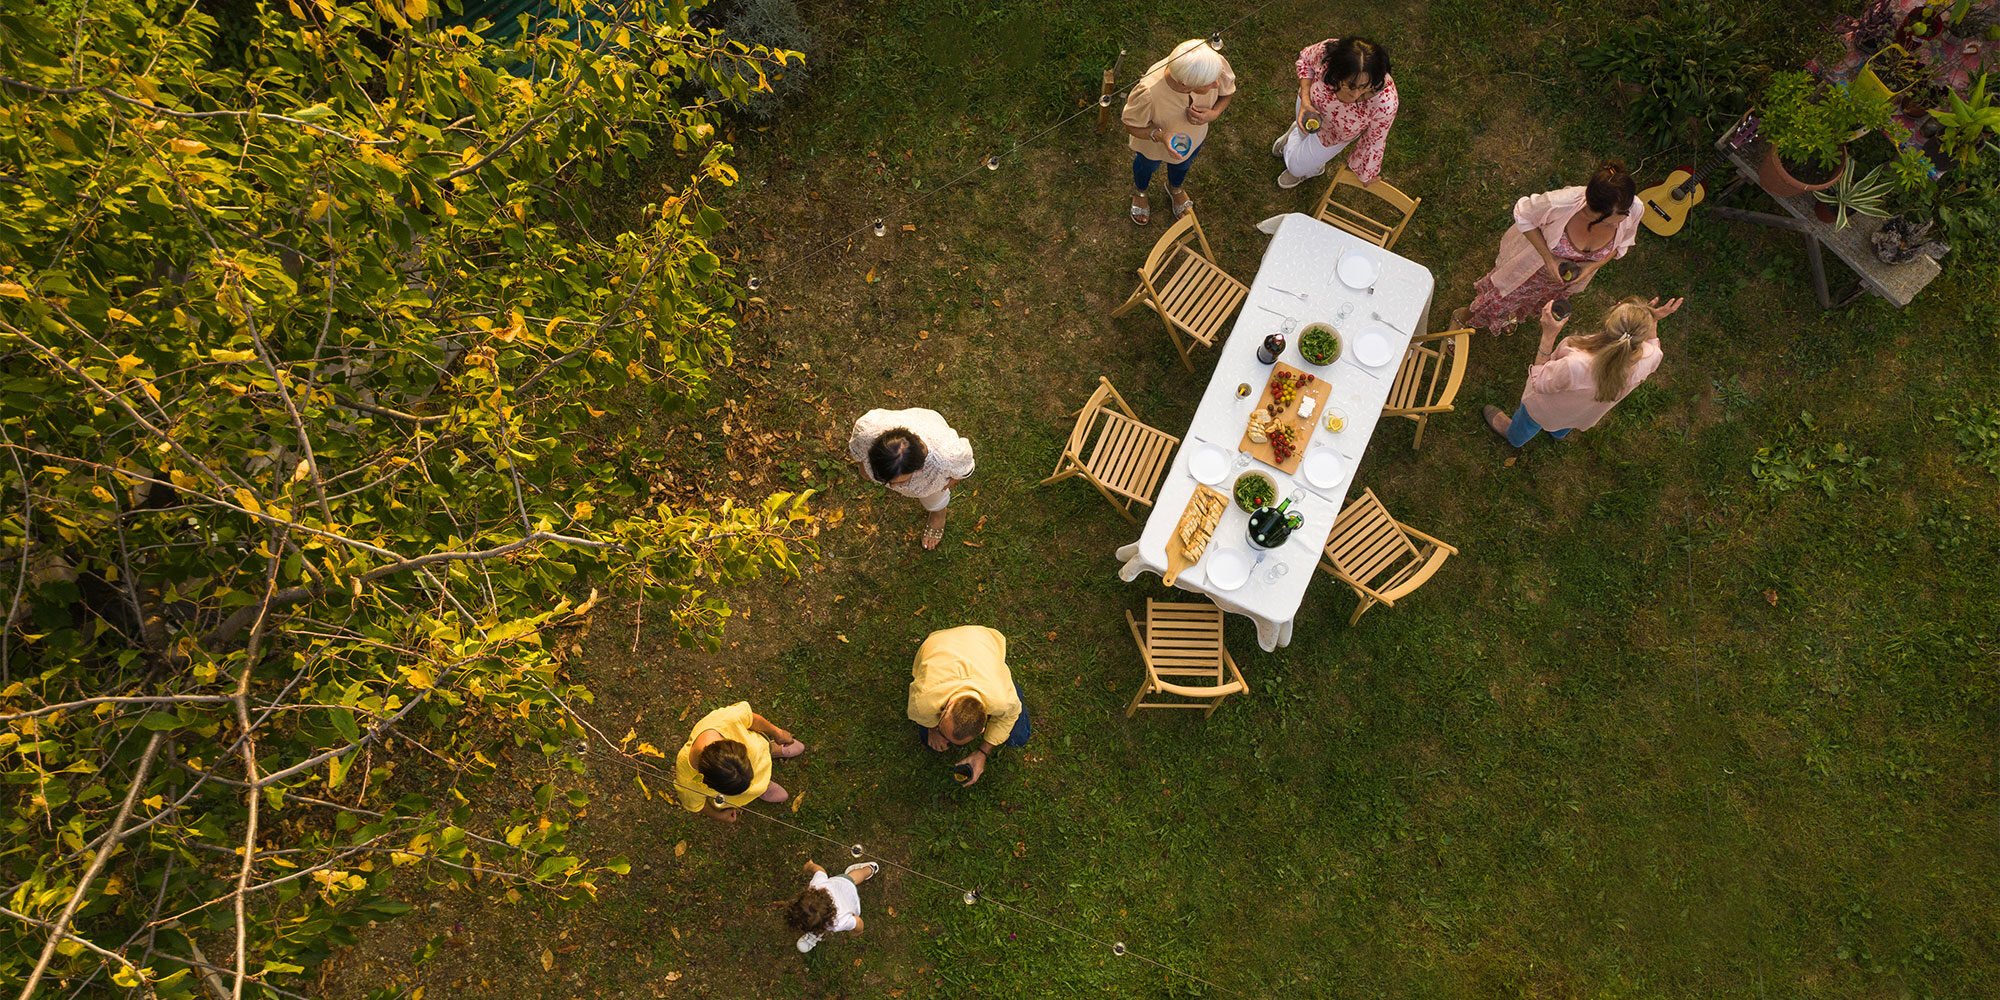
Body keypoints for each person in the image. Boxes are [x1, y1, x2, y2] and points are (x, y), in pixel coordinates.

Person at [1453, 163, 1642, 335]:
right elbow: (1523, 214)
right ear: (1595, 212)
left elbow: (1621, 245)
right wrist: (1549, 259)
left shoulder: (1631, 209)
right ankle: (1462, 317)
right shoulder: (1560, 203)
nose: (1626, 218)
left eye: (1626, 212)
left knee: (1531, 303)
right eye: (1619, 216)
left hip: (1560, 283)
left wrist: (1590, 267)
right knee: (1499, 298)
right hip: (1530, 273)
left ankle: (1508, 315)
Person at [1484, 295, 1684, 448]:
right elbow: (1653, 344)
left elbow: (1540, 382)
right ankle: (1558, 433)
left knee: (1528, 422)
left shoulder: (1576, 364)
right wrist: (1652, 320)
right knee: (1565, 423)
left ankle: (1514, 437)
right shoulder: (1650, 357)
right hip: (1582, 415)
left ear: (1608, 323)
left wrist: (1548, 336)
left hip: (1545, 410)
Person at [1120, 38, 1235, 225]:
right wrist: (1161, 136)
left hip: (1193, 140)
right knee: (1146, 167)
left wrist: (1214, 113)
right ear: (1184, 84)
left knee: (1182, 165)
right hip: (1152, 147)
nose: (1216, 84)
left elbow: (1227, 92)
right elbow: (1131, 125)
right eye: (1209, 84)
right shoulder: (1149, 93)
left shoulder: (1211, 65)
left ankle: (1175, 188)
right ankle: (1140, 191)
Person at [906, 625, 1028, 787]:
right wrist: (933, 730)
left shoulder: (1003, 700)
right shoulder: (923, 702)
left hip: (982, 638)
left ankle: (1005, 680)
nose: (945, 738)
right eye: (943, 730)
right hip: (939, 641)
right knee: (926, 739)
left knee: (1018, 737)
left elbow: (1011, 715)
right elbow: (921, 718)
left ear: (982, 729)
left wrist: (982, 752)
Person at [1273, 37, 1397, 190]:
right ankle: (1303, 148)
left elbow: (1374, 140)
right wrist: (1305, 100)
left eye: (1365, 87)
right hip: (1310, 107)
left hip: (1332, 135)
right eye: (1350, 85)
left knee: (1295, 167)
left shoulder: (1385, 102)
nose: (1356, 94)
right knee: (1302, 133)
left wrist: (1367, 173)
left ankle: (1301, 163)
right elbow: (1305, 60)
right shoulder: (1327, 53)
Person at [847, 407, 975, 551]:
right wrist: (863, 465)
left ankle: (938, 514)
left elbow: (965, 466)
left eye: (900, 482)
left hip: (931, 432)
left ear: (919, 468)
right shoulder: (867, 432)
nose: (894, 487)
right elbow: (859, 450)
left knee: (934, 497)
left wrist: (953, 479)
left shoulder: (947, 458)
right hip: (914, 418)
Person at [672, 701, 805, 823]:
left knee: (760, 750)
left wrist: (778, 733)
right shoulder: (687, 781)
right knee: (753, 787)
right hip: (746, 779)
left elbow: (752, 719)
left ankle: (771, 749)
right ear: (708, 783)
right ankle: (762, 788)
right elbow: (697, 805)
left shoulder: (725, 719)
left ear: (734, 744)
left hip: (759, 751)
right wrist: (718, 815)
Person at [788, 858, 881, 953]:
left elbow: (857, 921)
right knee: (854, 877)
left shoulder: (838, 923)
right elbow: (820, 871)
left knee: (852, 879)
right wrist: (810, 866)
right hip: (844, 883)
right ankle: (870, 869)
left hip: (851, 903)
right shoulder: (816, 886)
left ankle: (815, 933)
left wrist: (858, 931)